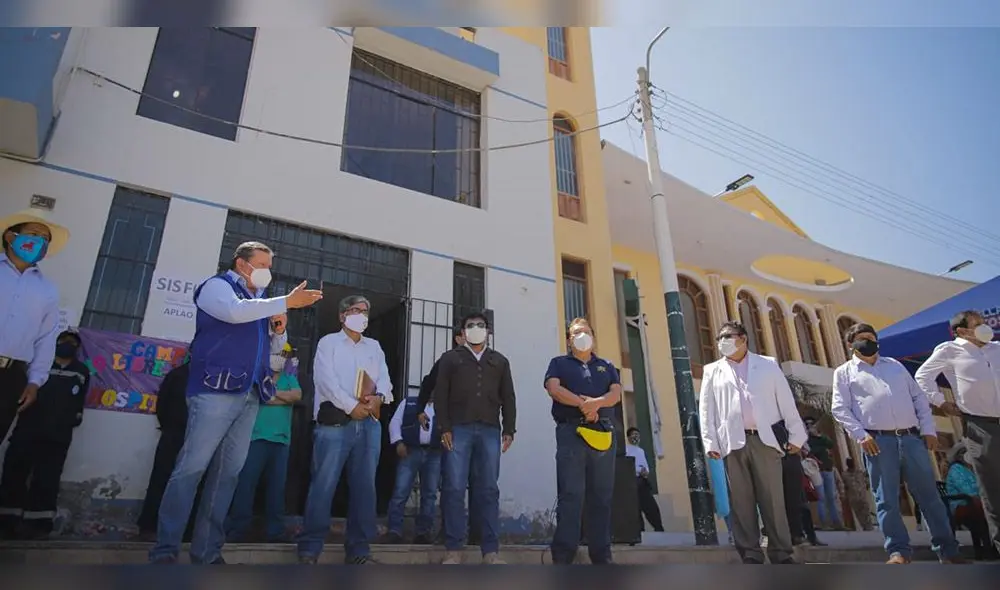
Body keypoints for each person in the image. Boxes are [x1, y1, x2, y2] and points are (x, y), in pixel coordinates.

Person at [149, 242, 322, 564]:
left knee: (227, 475)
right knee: (192, 468)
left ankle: (207, 550)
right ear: (242, 264)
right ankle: (165, 549)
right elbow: (232, 312)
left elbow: (274, 355)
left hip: (250, 394)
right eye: (263, 264)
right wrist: (283, 301)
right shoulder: (218, 287)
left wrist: (280, 330)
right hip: (215, 390)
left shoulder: (259, 302)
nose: (267, 271)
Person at [830, 322, 966, 564]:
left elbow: (919, 398)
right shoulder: (844, 372)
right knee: (886, 500)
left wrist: (928, 430)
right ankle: (898, 551)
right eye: (862, 338)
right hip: (877, 442)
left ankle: (948, 550)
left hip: (911, 439)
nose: (868, 341)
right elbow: (840, 409)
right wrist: (861, 435)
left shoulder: (895, 366)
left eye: (871, 337)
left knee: (929, 497)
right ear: (851, 344)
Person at [698, 321, 806, 564]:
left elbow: (785, 401)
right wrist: (710, 442)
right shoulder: (712, 370)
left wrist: (797, 435)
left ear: (743, 338)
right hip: (732, 443)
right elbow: (707, 410)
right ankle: (750, 553)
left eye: (728, 336)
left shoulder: (767, 364)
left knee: (772, 499)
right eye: (719, 337)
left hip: (765, 440)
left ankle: (780, 552)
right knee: (741, 501)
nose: (722, 341)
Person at [297, 295, 393, 565]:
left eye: (365, 311)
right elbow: (326, 382)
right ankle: (310, 549)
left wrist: (379, 398)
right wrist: (352, 406)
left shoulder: (374, 346)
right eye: (354, 310)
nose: (361, 315)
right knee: (323, 485)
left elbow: (384, 380)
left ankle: (359, 551)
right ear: (342, 316)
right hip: (335, 423)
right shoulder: (328, 343)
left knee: (365, 488)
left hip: (369, 425)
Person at [914, 310, 1000, 557]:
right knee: (993, 488)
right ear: (961, 330)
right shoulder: (950, 350)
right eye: (978, 324)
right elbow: (923, 376)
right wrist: (941, 402)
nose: (984, 327)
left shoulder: (996, 348)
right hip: (981, 425)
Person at [436, 311, 517, 565]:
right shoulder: (450, 359)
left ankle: (490, 551)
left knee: (489, 490)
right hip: (458, 429)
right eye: (470, 325)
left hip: (490, 430)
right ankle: (453, 550)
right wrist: (444, 427)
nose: (476, 329)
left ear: (488, 331)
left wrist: (509, 429)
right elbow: (440, 395)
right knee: (454, 488)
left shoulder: (500, 361)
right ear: (463, 331)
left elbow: (509, 396)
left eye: (481, 325)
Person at [545, 318, 622, 565]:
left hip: (603, 434)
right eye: (576, 333)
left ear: (593, 336)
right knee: (571, 494)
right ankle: (563, 555)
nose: (582, 336)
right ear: (569, 340)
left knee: (601, 496)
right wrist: (583, 405)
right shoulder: (559, 363)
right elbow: (554, 388)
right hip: (571, 434)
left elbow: (616, 393)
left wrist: (597, 404)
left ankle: (601, 555)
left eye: (586, 332)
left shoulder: (607, 365)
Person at [0, 330, 87, 539]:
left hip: (57, 436)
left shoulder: (81, 371)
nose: (67, 345)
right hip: (27, 430)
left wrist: (71, 421)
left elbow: (79, 402)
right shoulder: (39, 368)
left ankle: (38, 525)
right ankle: (6, 521)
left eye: (72, 343)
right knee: (14, 474)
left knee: (47, 480)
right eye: (63, 341)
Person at [0, 208, 69, 442]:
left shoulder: (47, 290)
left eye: (45, 240)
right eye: (34, 234)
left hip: (11, 378)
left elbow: (46, 339)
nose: (39, 241)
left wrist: (34, 381)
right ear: (11, 237)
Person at [227, 342, 302, 542]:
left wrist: (270, 393)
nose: (280, 356)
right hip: (255, 438)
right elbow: (262, 398)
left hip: (281, 441)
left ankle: (275, 531)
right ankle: (238, 529)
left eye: (283, 354)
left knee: (276, 488)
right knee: (246, 484)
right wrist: (278, 397)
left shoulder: (289, 377)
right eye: (276, 353)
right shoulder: (258, 376)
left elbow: (296, 395)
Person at [415, 327, 480, 545]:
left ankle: (477, 534)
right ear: (459, 338)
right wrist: (419, 409)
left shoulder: (488, 361)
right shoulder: (448, 360)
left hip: (480, 432)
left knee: (481, 484)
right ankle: (449, 531)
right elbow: (428, 382)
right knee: (452, 483)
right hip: (453, 430)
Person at [137, 359, 197, 540]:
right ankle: (149, 527)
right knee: (161, 479)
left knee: (191, 483)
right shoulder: (177, 375)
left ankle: (185, 531)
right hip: (173, 435)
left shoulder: (208, 378)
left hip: (196, 439)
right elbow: (162, 404)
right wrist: (169, 427)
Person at [384, 373, 443, 544]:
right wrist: (398, 442)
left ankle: (423, 533)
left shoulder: (443, 407)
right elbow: (394, 423)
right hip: (410, 451)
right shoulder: (409, 402)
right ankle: (394, 530)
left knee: (430, 493)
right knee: (401, 491)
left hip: (434, 453)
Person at [944, 443, 994, 560]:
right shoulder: (956, 469)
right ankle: (987, 549)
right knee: (984, 508)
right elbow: (968, 490)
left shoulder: (971, 469)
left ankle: (990, 548)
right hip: (961, 505)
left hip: (974, 503)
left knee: (989, 507)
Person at [803, 417, 842, 530]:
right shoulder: (807, 439)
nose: (810, 427)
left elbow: (830, 444)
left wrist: (819, 436)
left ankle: (836, 522)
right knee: (821, 497)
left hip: (827, 468)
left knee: (832, 496)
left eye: (812, 424)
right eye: (808, 425)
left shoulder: (821, 437)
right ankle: (823, 523)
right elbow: (811, 450)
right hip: (815, 470)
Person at [625, 427, 665, 532]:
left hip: (642, 482)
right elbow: (628, 466)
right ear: (628, 437)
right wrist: (639, 471)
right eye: (633, 434)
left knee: (651, 507)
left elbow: (645, 466)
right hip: (632, 482)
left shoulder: (641, 450)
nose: (636, 437)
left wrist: (645, 472)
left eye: (637, 435)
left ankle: (658, 528)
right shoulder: (626, 449)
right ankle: (639, 531)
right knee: (635, 508)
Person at [841, 458, 875, 531]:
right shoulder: (844, 475)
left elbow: (866, 482)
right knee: (859, 513)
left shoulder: (859, 473)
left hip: (862, 496)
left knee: (866, 511)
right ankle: (864, 525)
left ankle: (869, 526)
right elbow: (844, 486)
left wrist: (867, 485)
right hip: (853, 498)